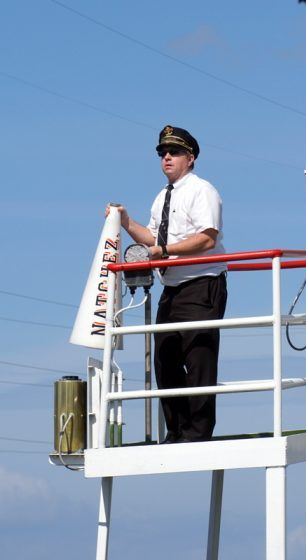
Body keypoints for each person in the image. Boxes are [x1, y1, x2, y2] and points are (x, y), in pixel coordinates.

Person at [108, 125, 227, 443]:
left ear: (191, 157)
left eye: (173, 152)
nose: (167, 158)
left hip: (202, 282)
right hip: (172, 287)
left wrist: (165, 252)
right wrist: (126, 222)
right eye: (162, 153)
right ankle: (176, 429)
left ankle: (198, 432)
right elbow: (152, 237)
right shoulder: (162, 196)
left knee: (198, 359)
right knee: (165, 358)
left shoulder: (202, 191)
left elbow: (206, 238)